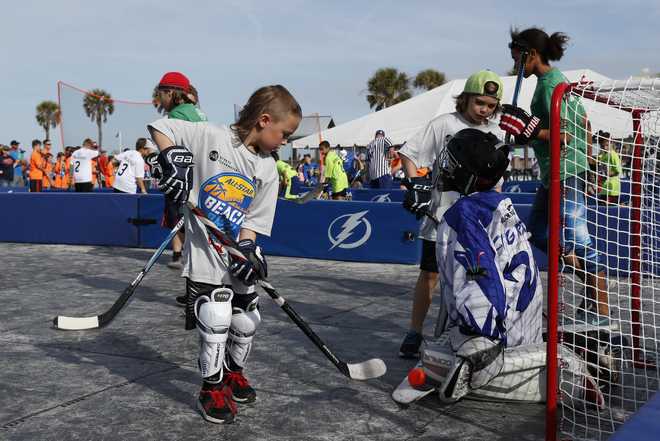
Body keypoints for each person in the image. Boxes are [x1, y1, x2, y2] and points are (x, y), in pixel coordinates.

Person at [147, 84, 301, 424]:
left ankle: (234, 372)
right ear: (264, 120)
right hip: (205, 256)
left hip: (236, 253)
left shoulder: (267, 169)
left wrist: (247, 249)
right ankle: (211, 387)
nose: (286, 141)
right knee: (215, 318)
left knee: (246, 319)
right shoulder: (210, 137)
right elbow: (160, 128)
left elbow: (253, 220)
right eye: (285, 133)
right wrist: (173, 159)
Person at [405, 128, 544, 404]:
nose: (446, 168)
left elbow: (478, 277)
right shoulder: (498, 202)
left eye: (453, 164)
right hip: (528, 320)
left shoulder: (463, 217)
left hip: (504, 336)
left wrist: (481, 344)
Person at [500, 27, 611, 326]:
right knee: (536, 231)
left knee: (578, 237)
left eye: (517, 59)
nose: (515, 65)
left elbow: (567, 135)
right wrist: (528, 132)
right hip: (555, 172)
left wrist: (530, 130)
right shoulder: (549, 82)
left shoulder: (552, 85)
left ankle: (601, 311)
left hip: (567, 171)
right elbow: (583, 125)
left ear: (531, 54)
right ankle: (590, 288)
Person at [397, 70, 505, 358]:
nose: (484, 110)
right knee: (429, 275)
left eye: (491, 105)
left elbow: (497, 180)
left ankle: (472, 330)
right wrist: (414, 184)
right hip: (440, 216)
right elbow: (409, 153)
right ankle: (414, 331)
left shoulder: (497, 133)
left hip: (478, 220)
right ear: (466, 98)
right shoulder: (443, 123)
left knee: (475, 276)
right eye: (479, 102)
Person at [153, 72, 208, 272]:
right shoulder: (197, 111)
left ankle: (185, 262)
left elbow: (174, 151)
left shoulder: (176, 115)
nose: (159, 99)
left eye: (161, 94)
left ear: (169, 93)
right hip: (203, 174)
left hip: (185, 177)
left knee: (179, 219)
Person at [596, 131, 622, 204]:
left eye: (607, 145)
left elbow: (618, 171)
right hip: (604, 188)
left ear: (611, 143)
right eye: (602, 146)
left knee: (611, 210)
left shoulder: (613, 155)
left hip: (612, 189)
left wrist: (607, 173)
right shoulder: (602, 155)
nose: (605, 147)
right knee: (601, 208)